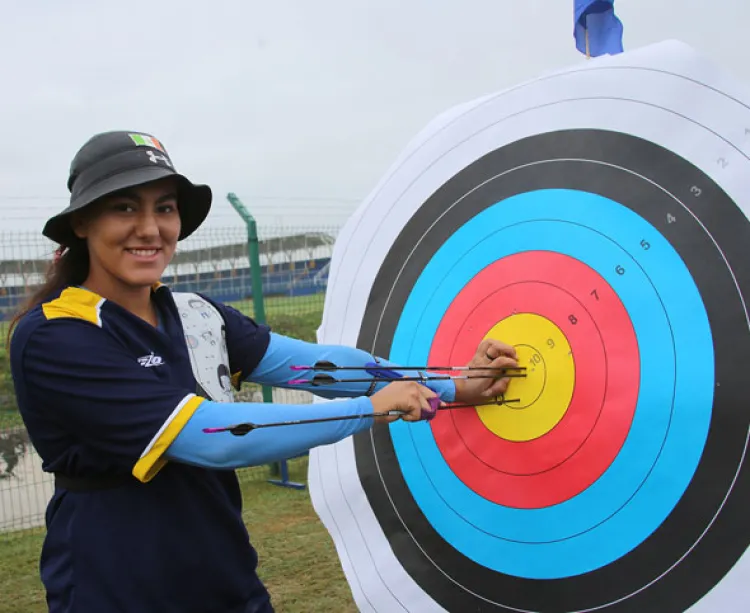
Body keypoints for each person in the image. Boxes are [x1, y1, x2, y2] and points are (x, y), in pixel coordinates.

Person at [7, 131, 519, 613]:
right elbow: (212, 436)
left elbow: (314, 367)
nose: (151, 229)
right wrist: (371, 409)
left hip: (225, 579)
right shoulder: (54, 335)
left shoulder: (195, 313)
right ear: (81, 223)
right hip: (116, 588)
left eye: (164, 208)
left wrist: (453, 385)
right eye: (124, 208)